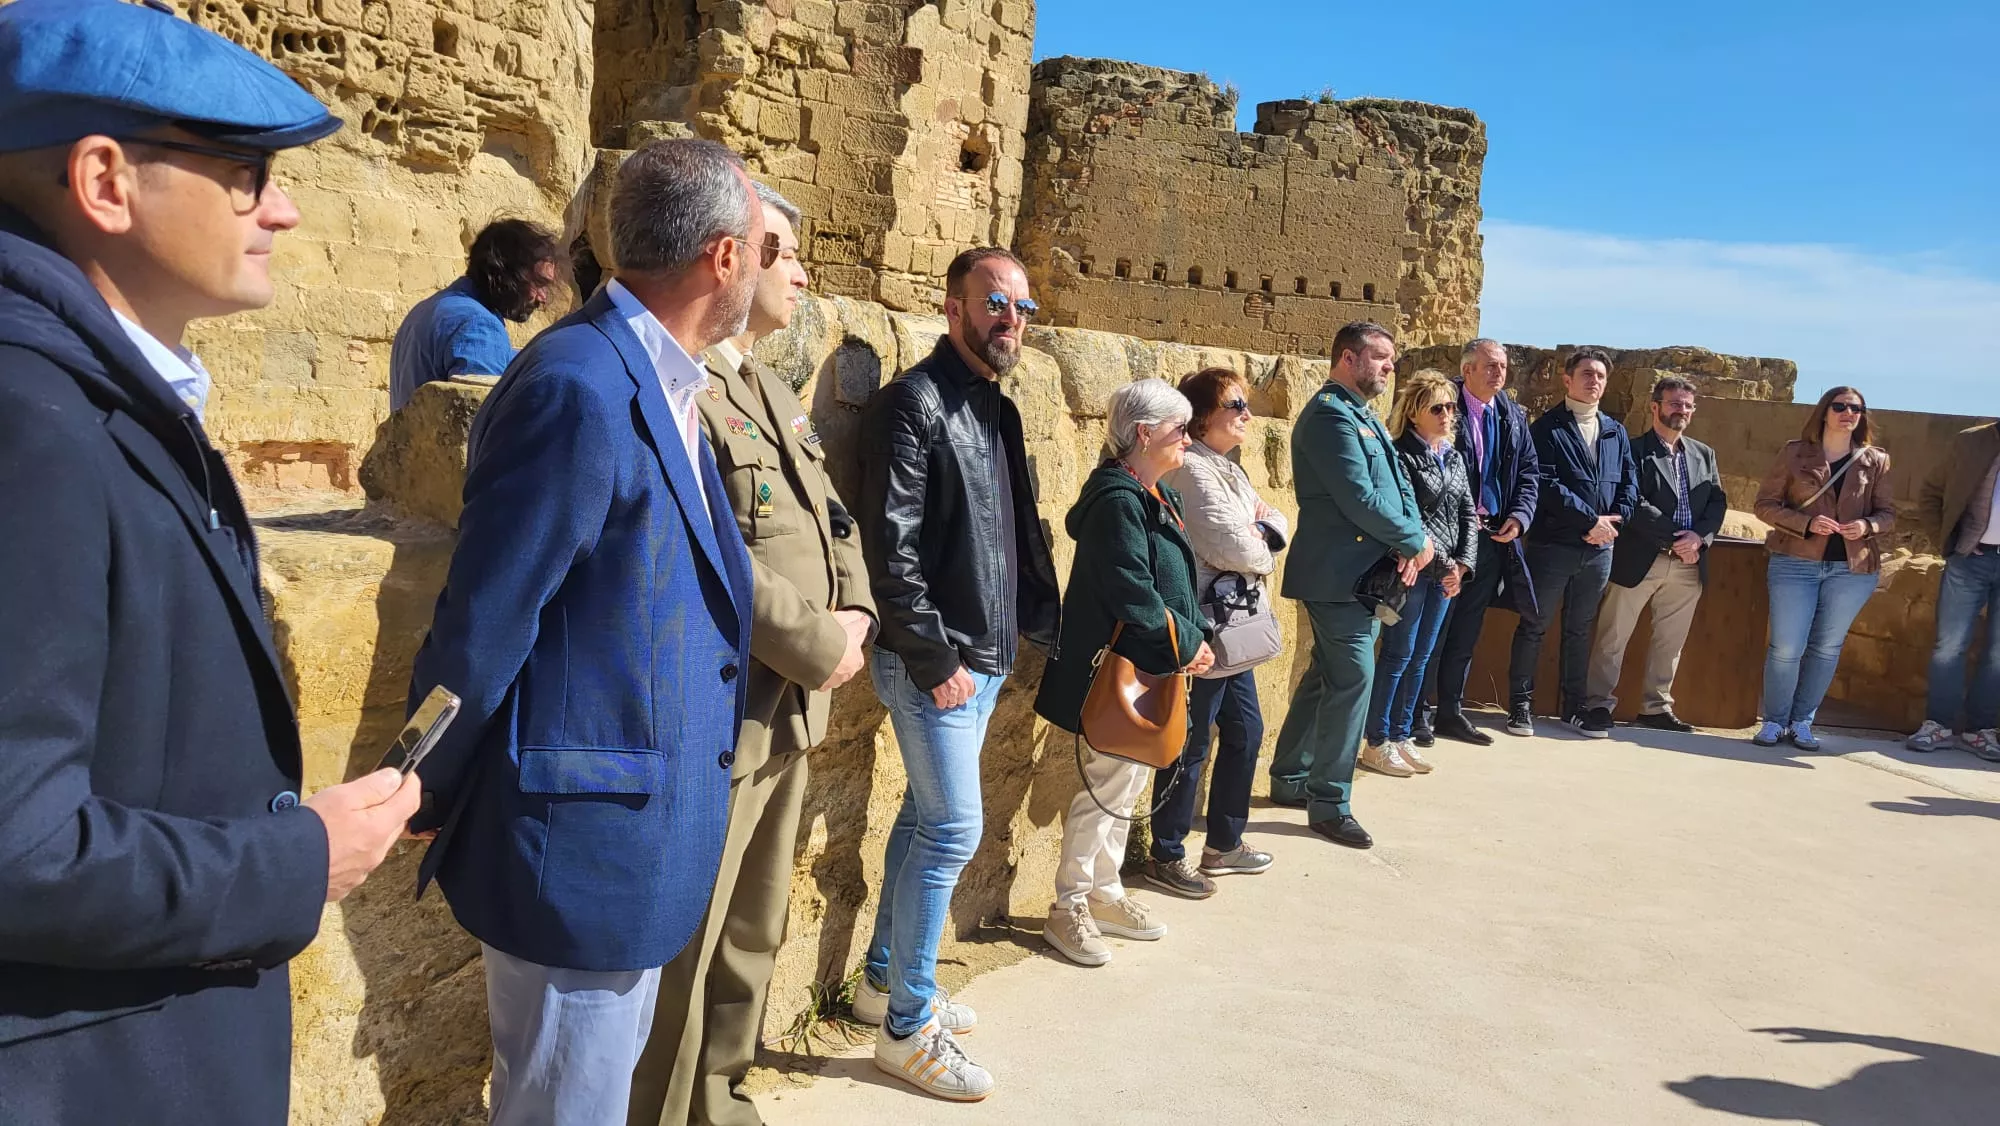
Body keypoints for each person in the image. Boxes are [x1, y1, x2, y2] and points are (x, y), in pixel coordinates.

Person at [0, 3, 419, 1123]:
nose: (281, 208)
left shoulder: (84, 390)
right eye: (244, 173)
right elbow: (14, 845)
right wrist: (295, 861)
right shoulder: (29, 421)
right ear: (104, 181)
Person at [404, 138, 760, 1126]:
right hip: (576, 850)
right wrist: (422, 777)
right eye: (762, 248)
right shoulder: (577, 384)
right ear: (721, 258)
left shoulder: (669, 383)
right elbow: (488, 612)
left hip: (631, 841)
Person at [627, 183, 876, 1126]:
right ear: (737, 256)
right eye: (784, 250)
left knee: (753, 928)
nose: (802, 273)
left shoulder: (769, 388)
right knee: (694, 939)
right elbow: (713, 550)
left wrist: (854, 611)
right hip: (736, 702)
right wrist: (822, 642)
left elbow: (832, 519)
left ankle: (720, 1100)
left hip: (796, 700)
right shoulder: (689, 385)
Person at [853, 246, 1062, 1101]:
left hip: (984, 653)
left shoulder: (995, 408)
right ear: (953, 308)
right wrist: (936, 656)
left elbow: (1012, 531)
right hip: (934, 662)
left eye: (1021, 308)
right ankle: (907, 1029)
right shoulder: (914, 403)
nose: (1009, 320)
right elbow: (888, 545)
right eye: (993, 304)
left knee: (920, 820)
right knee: (950, 835)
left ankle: (878, 983)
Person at [1035, 379, 1214, 965]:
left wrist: (1192, 641)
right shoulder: (1119, 500)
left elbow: (1173, 584)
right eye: (1178, 429)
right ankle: (1069, 906)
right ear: (1143, 434)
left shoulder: (1155, 494)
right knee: (1105, 788)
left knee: (1125, 784)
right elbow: (1130, 591)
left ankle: (1106, 892)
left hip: (1152, 663)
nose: (1187, 439)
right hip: (1118, 669)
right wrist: (1188, 645)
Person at [1267, 321, 1432, 850]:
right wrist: (1411, 540)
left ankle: (1291, 776)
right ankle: (1330, 802)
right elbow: (1358, 497)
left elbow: (1399, 484)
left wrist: (1414, 538)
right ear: (1346, 358)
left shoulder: (1363, 415)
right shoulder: (1330, 417)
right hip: (1337, 574)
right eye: (1380, 357)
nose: (1389, 367)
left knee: (1326, 676)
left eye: (1392, 359)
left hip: (1362, 574)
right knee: (1355, 678)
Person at [1140, 368, 1286, 900]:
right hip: (1207, 626)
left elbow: (1275, 523)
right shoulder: (1195, 474)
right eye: (1235, 404)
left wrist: (1261, 531)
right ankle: (1167, 851)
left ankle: (1223, 842)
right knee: (1193, 740)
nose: (1247, 413)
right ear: (1202, 417)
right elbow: (1239, 549)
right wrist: (1261, 535)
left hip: (1235, 629)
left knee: (1245, 732)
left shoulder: (1228, 470)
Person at [1582, 376, 1728, 735]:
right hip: (1640, 560)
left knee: (1671, 643)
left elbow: (1716, 501)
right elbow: (1632, 502)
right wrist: (1676, 535)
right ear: (1655, 407)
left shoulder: (1703, 454)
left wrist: (1699, 538)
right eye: (1675, 404)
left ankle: (1656, 707)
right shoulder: (1632, 451)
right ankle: (1598, 704)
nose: (1682, 411)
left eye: (1688, 406)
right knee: (1612, 637)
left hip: (1687, 564)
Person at [1752, 386, 1895, 750]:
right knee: (1786, 646)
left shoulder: (1875, 460)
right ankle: (1774, 721)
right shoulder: (1795, 453)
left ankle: (1802, 721)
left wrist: (1866, 527)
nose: (1848, 413)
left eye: (1856, 409)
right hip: (1795, 562)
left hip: (1851, 568)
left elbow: (1888, 514)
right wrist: (1805, 524)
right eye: (1840, 406)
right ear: (1825, 411)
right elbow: (1765, 504)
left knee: (1827, 647)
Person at [1507, 347, 1638, 738]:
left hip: (1600, 549)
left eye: (1599, 375)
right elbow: (1545, 484)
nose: (1593, 381)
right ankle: (1520, 705)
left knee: (1580, 628)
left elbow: (1630, 483)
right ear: (1567, 379)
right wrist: (1589, 520)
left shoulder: (1615, 431)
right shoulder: (1547, 428)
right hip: (1555, 546)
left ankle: (1574, 708)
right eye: (1586, 374)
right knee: (1534, 624)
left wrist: (1612, 523)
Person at [1420, 338, 1540, 747]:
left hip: (1491, 541)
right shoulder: (1443, 405)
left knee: (1466, 631)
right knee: (1433, 627)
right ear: (1467, 369)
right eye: (1489, 366)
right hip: (1448, 540)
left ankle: (1450, 711)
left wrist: (1520, 518)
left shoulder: (1511, 414)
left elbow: (1528, 473)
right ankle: (1417, 711)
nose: (1498, 373)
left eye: (1502, 366)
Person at [1363, 371, 1477, 775]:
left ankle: (1401, 733)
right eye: (1438, 408)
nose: (1448, 415)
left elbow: (1467, 512)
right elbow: (1408, 515)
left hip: (1445, 576)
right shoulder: (1401, 456)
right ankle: (1376, 741)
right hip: (1412, 569)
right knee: (1398, 653)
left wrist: (1464, 565)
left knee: (1422, 657)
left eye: (1451, 407)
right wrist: (1446, 564)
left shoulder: (1455, 456)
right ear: (1414, 414)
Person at [389, 217, 562, 410]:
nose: (543, 298)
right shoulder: (477, 326)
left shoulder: (431, 308)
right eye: (539, 284)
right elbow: (479, 421)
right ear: (507, 274)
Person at [1906, 417, 2000, 761]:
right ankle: (1939, 726)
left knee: (1998, 654)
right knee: (1950, 646)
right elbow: (1931, 492)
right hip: (1970, 559)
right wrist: (1947, 542)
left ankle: (1981, 731)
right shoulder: (1971, 441)